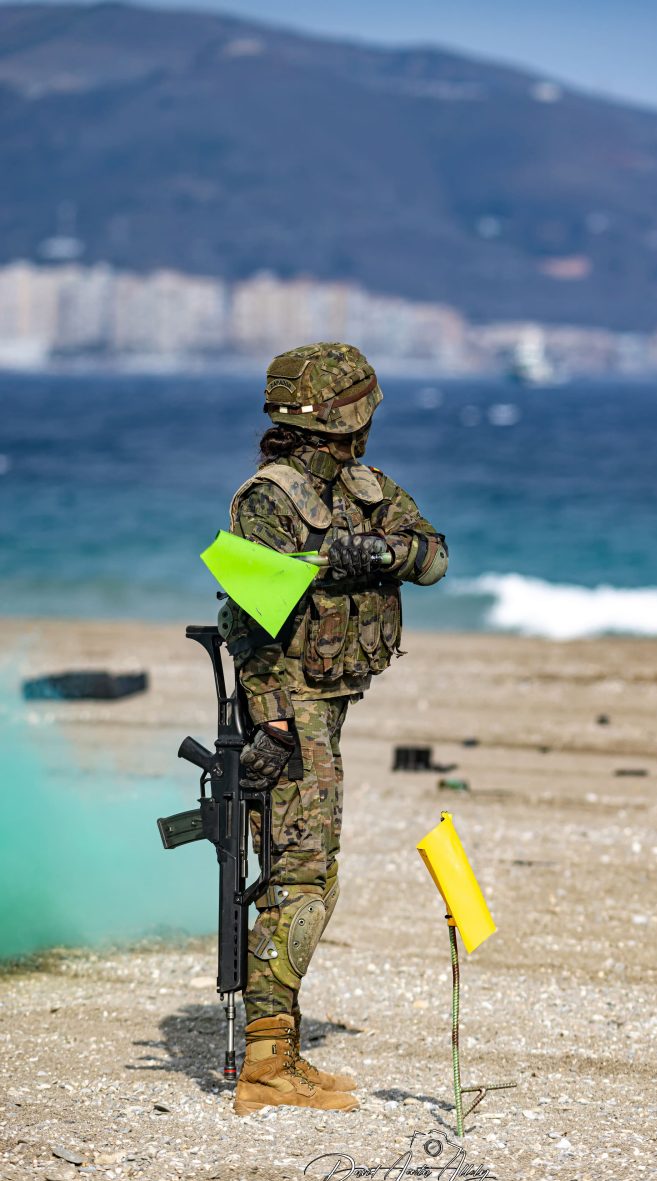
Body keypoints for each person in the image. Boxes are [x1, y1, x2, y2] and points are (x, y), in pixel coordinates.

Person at [222, 343, 448, 1116]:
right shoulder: (269, 500)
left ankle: (278, 1052)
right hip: (292, 707)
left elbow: (434, 556)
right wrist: (274, 725)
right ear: (346, 417)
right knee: (300, 879)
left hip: (329, 698)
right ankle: (266, 1065)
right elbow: (246, 621)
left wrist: (376, 551)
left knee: (314, 876)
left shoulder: (362, 488)